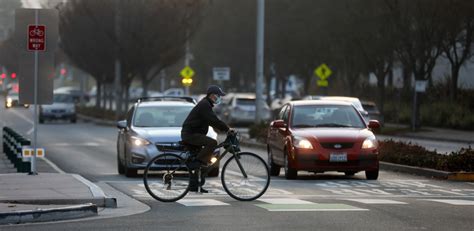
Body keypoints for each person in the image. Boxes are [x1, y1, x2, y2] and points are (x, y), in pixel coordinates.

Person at [181, 85, 233, 192]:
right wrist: (227, 129)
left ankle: (195, 186)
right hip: (190, 135)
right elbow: (213, 120)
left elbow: (212, 121)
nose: (220, 98)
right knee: (212, 142)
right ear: (212, 95)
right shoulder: (205, 105)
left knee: (197, 157)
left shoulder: (206, 104)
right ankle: (197, 163)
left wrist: (222, 128)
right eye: (218, 96)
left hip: (193, 133)